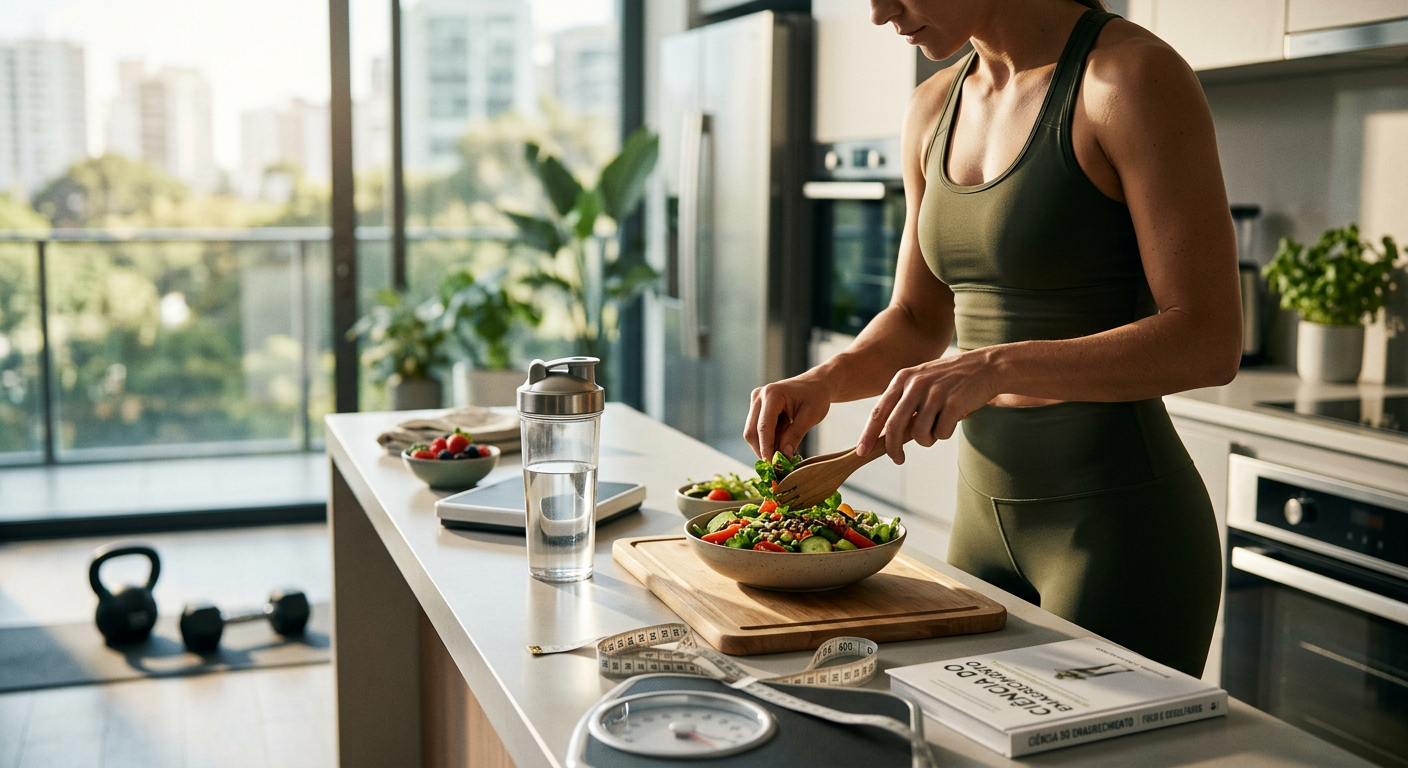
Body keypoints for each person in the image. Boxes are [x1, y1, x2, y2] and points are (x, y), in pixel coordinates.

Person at [743, 0, 1241, 676]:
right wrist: (824, 380)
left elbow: (1208, 340)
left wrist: (995, 367)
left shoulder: (1128, 77)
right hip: (978, 530)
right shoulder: (932, 106)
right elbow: (917, 318)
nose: (880, 12)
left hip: (1121, 536)